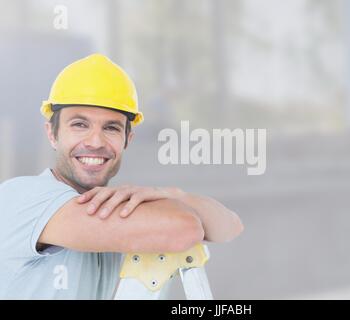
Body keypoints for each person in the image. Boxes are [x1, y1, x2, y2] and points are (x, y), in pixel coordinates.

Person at [0, 54, 243, 299]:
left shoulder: (114, 206)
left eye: (111, 128)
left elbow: (230, 226)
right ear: (52, 134)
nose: (95, 141)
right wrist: (171, 206)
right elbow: (185, 228)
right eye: (79, 125)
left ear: (127, 139)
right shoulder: (21, 197)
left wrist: (169, 194)